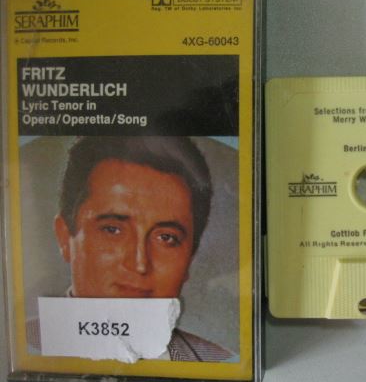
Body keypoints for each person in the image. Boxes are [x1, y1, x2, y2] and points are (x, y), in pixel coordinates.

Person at [27, 136, 234, 362]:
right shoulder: (18, 347)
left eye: (166, 238)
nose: (140, 263)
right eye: (112, 230)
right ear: (65, 238)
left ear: (190, 257)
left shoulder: (220, 361)